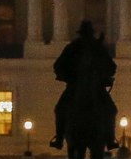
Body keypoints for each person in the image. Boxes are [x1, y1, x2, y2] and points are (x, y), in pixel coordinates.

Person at [49, 19, 115, 150]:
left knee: (60, 109)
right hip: (88, 86)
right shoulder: (86, 47)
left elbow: (111, 66)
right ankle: (110, 139)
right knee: (111, 110)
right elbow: (112, 67)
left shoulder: (77, 47)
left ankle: (59, 138)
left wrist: (66, 77)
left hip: (80, 86)